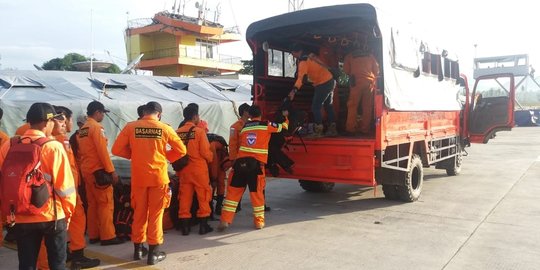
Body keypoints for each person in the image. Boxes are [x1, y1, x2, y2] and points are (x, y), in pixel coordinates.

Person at [0, 102, 76, 270]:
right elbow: (66, 187)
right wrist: (68, 214)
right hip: (51, 216)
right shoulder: (52, 146)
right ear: (46, 122)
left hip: (20, 215)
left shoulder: (9, 145)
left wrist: (7, 212)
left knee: (26, 264)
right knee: (57, 264)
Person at [112, 101, 187, 265]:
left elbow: (116, 150)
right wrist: (166, 156)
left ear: (144, 112)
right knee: (156, 215)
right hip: (158, 178)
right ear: (159, 114)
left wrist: (136, 155)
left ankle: (138, 250)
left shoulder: (131, 127)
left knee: (139, 213)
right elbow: (182, 150)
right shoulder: (165, 128)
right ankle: (153, 253)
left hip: (139, 178)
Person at [218, 105, 288, 232]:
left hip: (240, 165)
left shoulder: (243, 128)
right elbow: (282, 128)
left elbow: (234, 145)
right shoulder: (266, 124)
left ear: (249, 115)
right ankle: (259, 222)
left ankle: (224, 220)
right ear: (260, 114)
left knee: (232, 195)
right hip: (256, 167)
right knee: (257, 195)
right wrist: (286, 119)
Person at [53, 106, 101, 269]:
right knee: (77, 221)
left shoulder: (52, 138)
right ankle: (77, 256)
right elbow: (65, 168)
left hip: (59, 191)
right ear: (63, 119)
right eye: (70, 119)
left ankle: (65, 253)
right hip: (67, 192)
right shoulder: (61, 140)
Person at [77, 101, 124, 246]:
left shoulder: (83, 129)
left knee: (92, 205)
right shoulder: (96, 128)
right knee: (105, 204)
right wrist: (112, 171)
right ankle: (108, 236)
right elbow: (102, 151)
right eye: (102, 113)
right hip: (99, 172)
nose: (103, 115)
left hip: (87, 171)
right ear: (97, 112)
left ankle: (94, 234)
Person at [175, 105, 214, 235]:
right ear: (195, 117)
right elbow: (205, 152)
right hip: (199, 170)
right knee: (203, 196)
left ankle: (185, 227)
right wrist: (211, 158)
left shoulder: (177, 132)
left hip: (183, 171)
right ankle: (203, 226)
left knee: (185, 197)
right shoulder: (199, 132)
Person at [288, 43, 337, 138]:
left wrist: (294, 91)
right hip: (330, 80)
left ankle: (318, 131)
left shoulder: (303, 61)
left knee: (315, 107)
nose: (292, 55)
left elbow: (301, 78)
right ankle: (332, 129)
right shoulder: (311, 55)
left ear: (295, 52)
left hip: (323, 83)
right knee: (328, 105)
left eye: (292, 53)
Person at [343, 45, 379, 135]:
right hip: (369, 83)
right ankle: (365, 129)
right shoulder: (370, 56)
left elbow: (346, 70)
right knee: (367, 106)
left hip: (356, 83)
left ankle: (350, 129)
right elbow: (377, 71)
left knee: (352, 106)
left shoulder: (349, 56)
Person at [227, 102, 250, 212]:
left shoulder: (252, 125)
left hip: (250, 159)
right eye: (248, 110)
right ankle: (236, 204)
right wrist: (233, 159)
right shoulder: (234, 127)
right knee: (238, 184)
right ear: (244, 112)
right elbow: (232, 144)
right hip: (239, 160)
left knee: (251, 183)